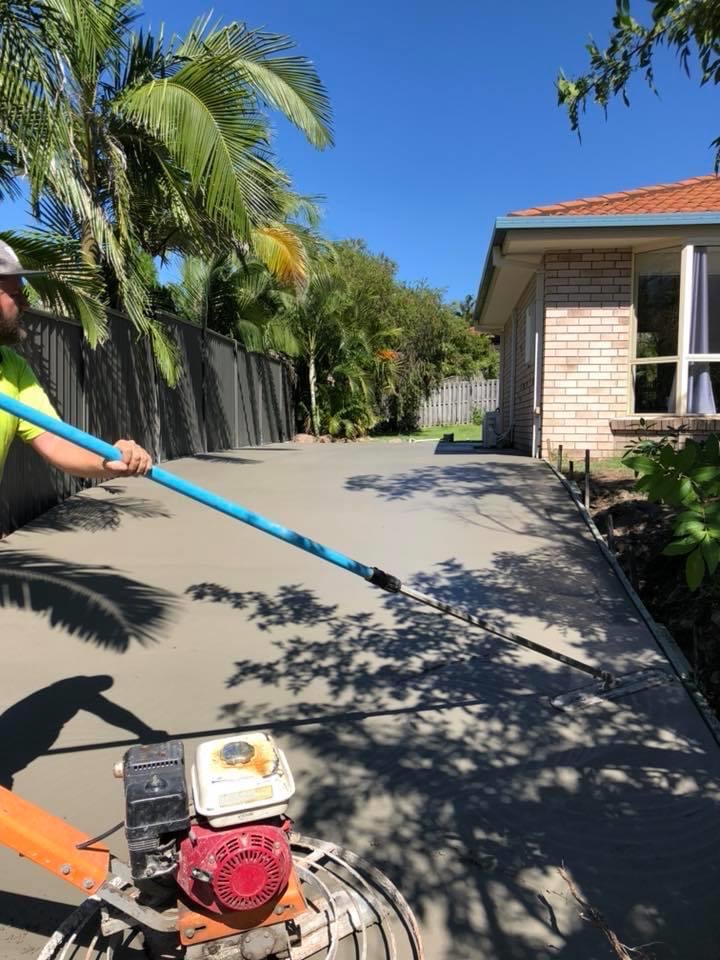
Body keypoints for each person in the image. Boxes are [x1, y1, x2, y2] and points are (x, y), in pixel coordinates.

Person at [0, 240, 152, 480]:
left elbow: (55, 441)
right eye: (16, 294)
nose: (25, 303)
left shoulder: (12, 368)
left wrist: (108, 459)